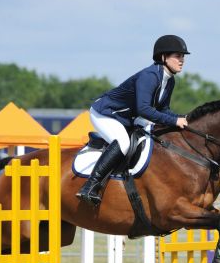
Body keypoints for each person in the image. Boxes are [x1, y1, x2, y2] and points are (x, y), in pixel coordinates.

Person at [76, 35, 190, 205]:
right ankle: (90, 186)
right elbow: (143, 109)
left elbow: (163, 110)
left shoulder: (169, 80)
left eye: (183, 57)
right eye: (178, 56)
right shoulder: (150, 76)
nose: (182, 60)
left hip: (126, 117)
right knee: (123, 142)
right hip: (105, 113)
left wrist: (184, 118)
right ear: (164, 57)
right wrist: (174, 121)